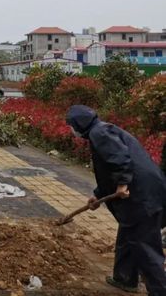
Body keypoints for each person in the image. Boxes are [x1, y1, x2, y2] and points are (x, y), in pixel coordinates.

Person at [66, 105, 166, 295]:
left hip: (142, 197)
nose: (71, 130)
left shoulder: (100, 132)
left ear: (79, 123)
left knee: (145, 246)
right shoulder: (101, 130)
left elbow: (119, 160)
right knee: (129, 235)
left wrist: (122, 184)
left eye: (71, 125)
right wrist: (97, 195)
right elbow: (108, 170)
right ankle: (125, 278)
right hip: (145, 192)